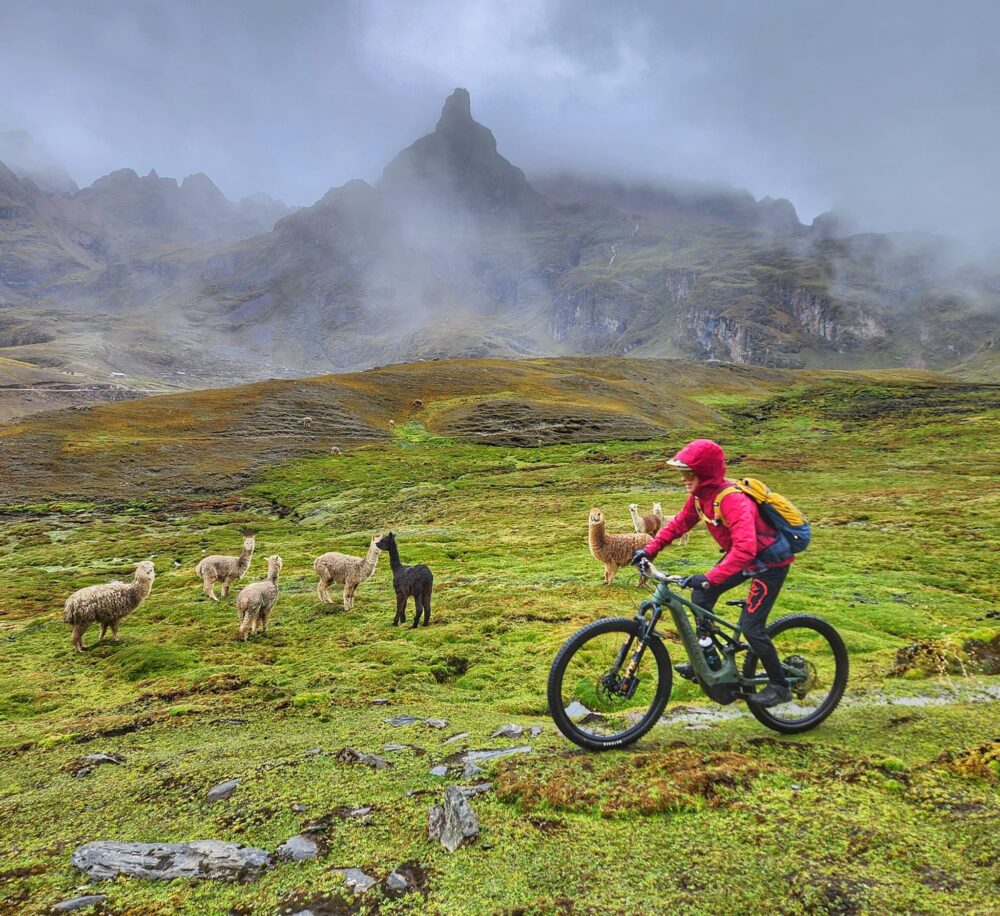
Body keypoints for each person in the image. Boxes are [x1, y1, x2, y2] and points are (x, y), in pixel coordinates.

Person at [631, 438, 793, 708]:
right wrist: (650, 550)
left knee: (752, 627)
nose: (683, 479)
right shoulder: (699, 498)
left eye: (688, 473)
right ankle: (709, 660)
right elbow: (679, 524)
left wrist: (710, 578)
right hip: (743, 558)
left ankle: (779, 685)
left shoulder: (732, 500)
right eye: (682, 473)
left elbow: (746, 549)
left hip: (769, 563)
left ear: (704, 473)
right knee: (700, 598)